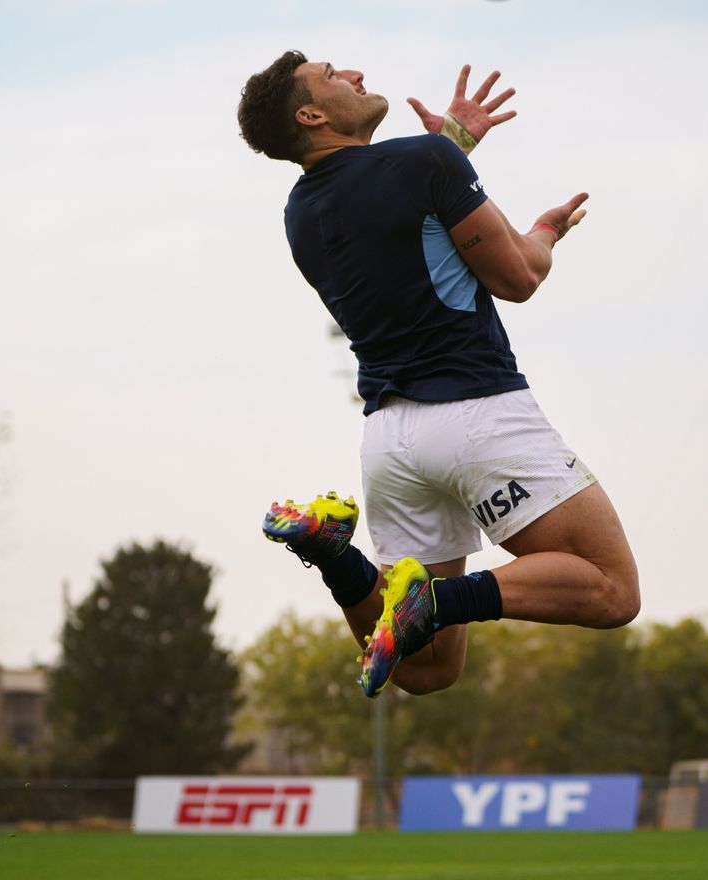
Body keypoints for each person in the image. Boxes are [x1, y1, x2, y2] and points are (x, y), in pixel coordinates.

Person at [237, 52, 640, 698]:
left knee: (427, 671)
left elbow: (385, 199)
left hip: (391, 443)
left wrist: (450, 146)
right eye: (334, 77)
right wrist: (543, 230)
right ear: (311, 115)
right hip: (478, 414)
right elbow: (519, 277)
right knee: (610, 586)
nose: (357, 75)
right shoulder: (427, 164)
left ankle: (335, 556)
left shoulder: (301, 212)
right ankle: (437, 598)